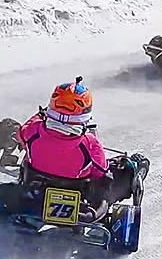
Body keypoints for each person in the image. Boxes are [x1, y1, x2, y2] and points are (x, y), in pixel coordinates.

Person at [15, 78, 139, 211]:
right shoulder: (90, 143)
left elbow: (20, 135)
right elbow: (101, 173)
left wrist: (41, 115)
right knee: (124, 170)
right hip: (79, 199)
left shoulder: (33, 130)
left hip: (35, 189)